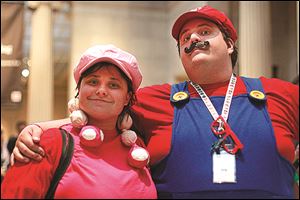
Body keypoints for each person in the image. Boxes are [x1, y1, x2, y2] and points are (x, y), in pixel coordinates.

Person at [9, 5, 299, 198]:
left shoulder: (282, 93)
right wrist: (37, 128)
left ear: (231, 44)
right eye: (185, 37)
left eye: (205, 31)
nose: (193, 38)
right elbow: (102, 109)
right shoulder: (157, 98)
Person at [1, 44, 157, 198]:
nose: (101, 90)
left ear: (127, 98)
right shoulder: (48, 144)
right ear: (79, 90)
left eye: (113, 85)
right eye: (93, 82)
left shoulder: (138, 148)